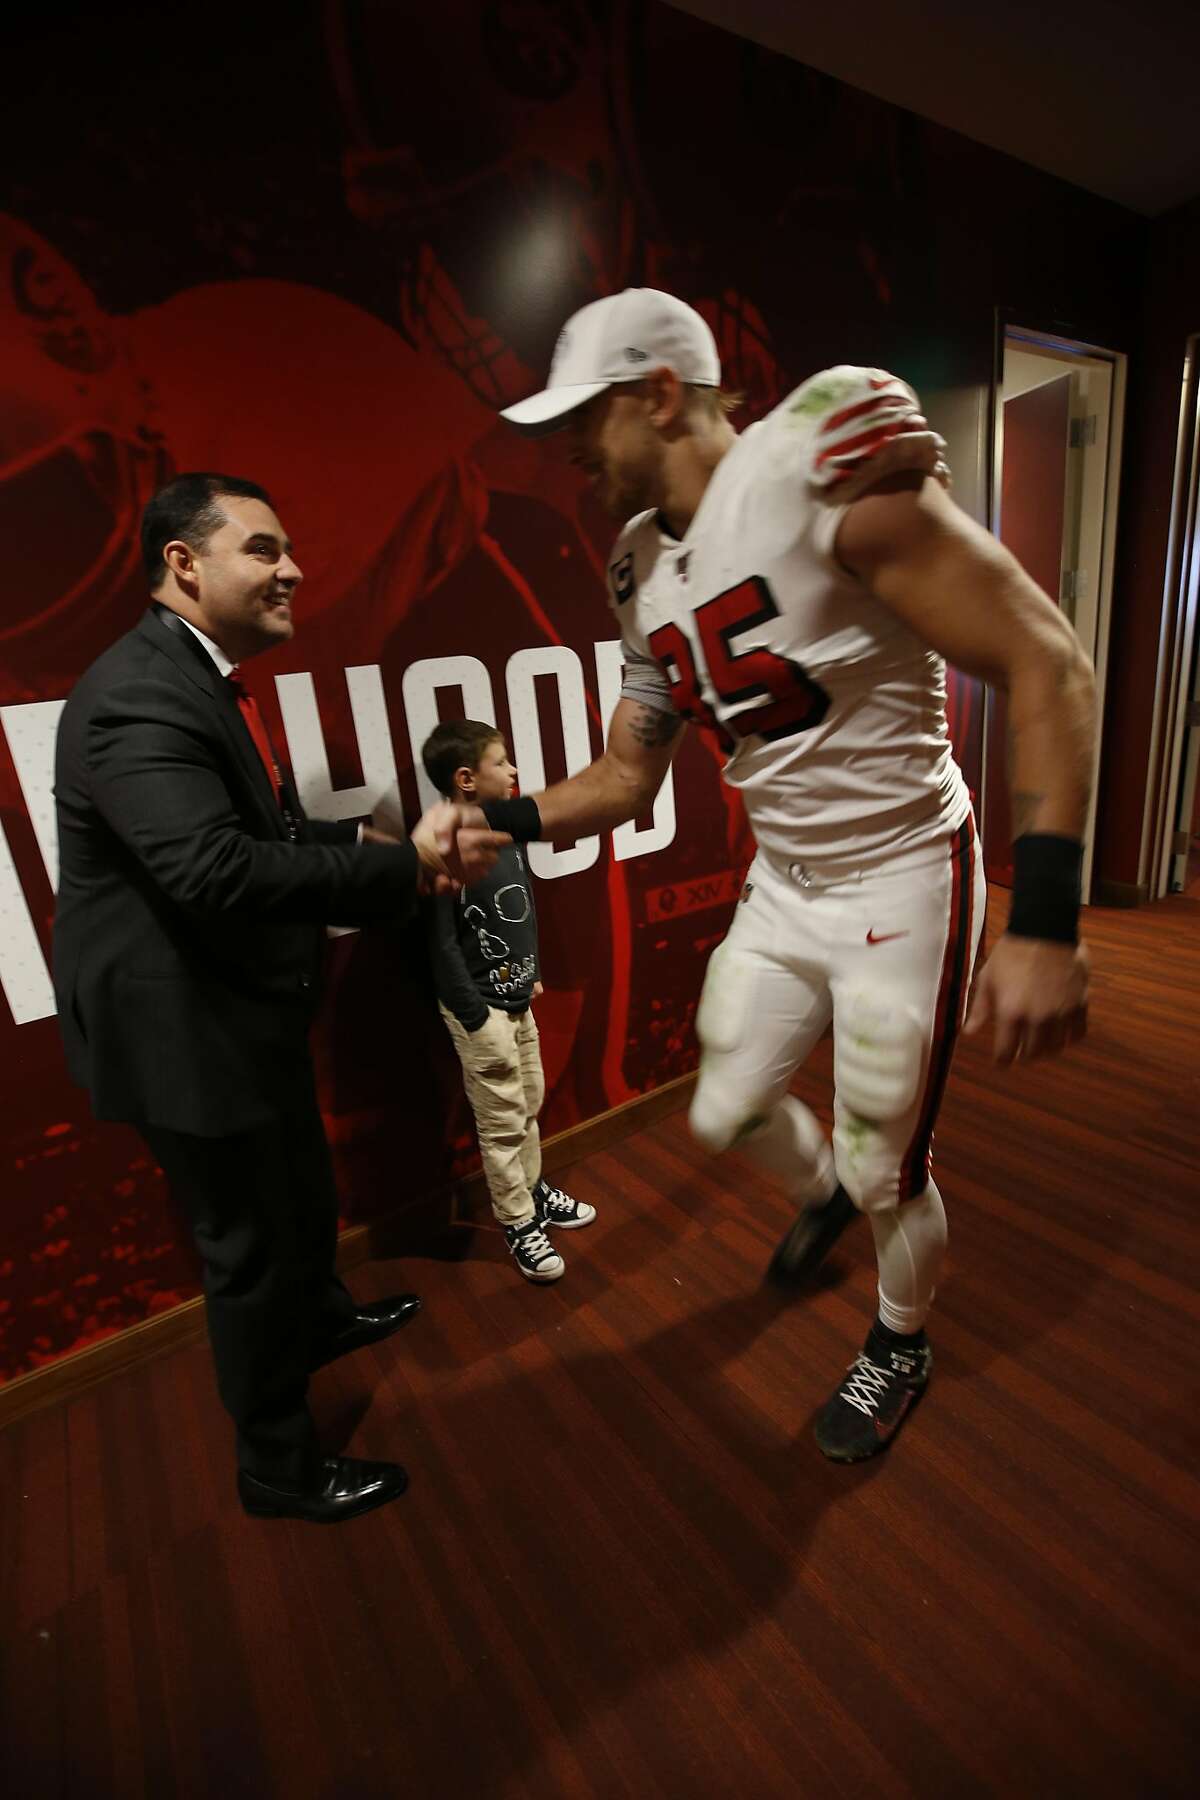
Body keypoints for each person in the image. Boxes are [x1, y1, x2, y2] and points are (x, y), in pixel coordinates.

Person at [487, 288, 1094, 1463]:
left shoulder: (819, 465)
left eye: (589, 413)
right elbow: (626, 776)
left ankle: (901, 1341)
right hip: (788, 880)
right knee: (727, 1103)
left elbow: (1046, 657)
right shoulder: (636, 565)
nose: (568, 446)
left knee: (886, 1164)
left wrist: (1051, 923)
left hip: (904, 872)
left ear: (661, 393)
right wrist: (500, 817)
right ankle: (826, 1195)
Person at [53, 472, 507, 1522]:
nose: (292, 568)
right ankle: (278, 1466)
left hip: (236, 1013)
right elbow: (214, 871)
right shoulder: (135, 695)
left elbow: (265, 840)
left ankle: (321, 1323)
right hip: (182, 1035)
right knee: (248, 1251)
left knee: (299, 1197)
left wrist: (365, 846)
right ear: (184, 563)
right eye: (263, 549)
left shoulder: (196, 679)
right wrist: (403, 869)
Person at [420, 720, 596, 1283]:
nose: (515, 771)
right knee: (500, 1122)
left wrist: (533, 974)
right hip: (482, 1011)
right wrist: (474, 1015)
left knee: (530, 1101)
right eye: (503, 762)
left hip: (519, 997)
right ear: (467, 778)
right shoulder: (439, 846)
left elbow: (522, 910)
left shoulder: (505, 832)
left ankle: (534, 1190)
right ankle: (518, 1220)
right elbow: (440, 943)